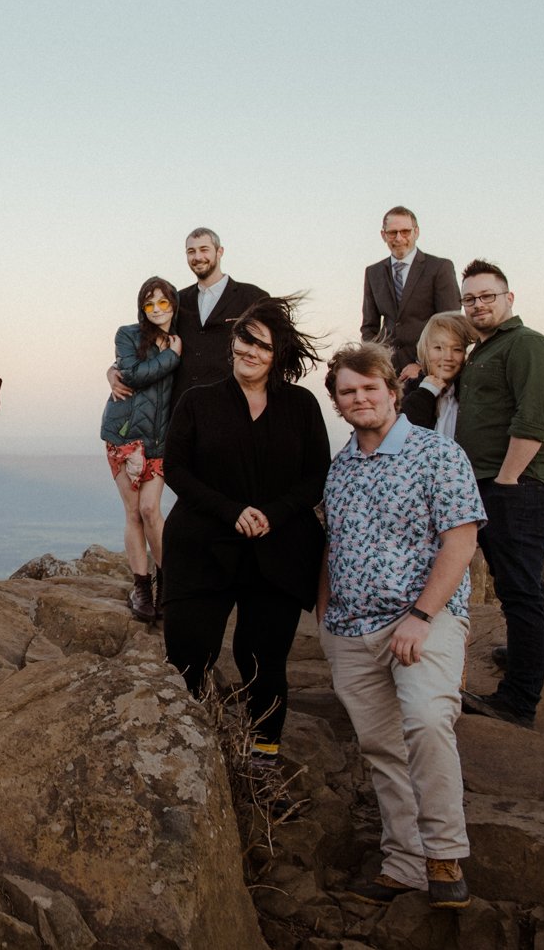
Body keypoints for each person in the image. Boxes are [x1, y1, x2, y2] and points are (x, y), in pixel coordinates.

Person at [319, 342, 484, 910]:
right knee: (382, 748)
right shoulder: (338, 470)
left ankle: (444, 856)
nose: (360, 398)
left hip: (421, 621)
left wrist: (420, 616)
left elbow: (460, 541)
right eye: (348, 391)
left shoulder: (437, 454)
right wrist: (324, 618)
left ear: (393, 392)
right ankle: (405, 864)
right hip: (349, 630)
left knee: (427, 721)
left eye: (370, 387)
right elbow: (331, 544)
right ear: (338, 404)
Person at [162, 294, 329, 787]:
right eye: (244, 339)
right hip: (203, 544)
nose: (249, 351)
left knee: (262, 657)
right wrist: (231, 511)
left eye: (262, 345)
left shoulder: (301, 405)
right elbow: (177, 469)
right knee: (190, 653)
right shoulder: (199, 400)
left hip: (277, 549)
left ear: (279, 355)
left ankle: (262, 754)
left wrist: (270, 516)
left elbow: (316, 475)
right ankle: (191, 742)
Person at [453, 260, 544, 728]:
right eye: (470, 299)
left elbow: (533, 419)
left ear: (509, 299)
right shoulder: (484, 350)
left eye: (487, 296)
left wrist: (505, 482)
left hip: (516, 486)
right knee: (524, 579)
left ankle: (519, 701)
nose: (478, 305)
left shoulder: (528, 345)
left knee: (517, 591)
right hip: (492, 484)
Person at [105, 228, 267, 420]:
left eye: (204, 249)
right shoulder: (178, 300)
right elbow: (149, 339)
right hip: (183, 413)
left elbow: (272, 349)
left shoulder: (253, 297)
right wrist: (113, 369)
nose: (198, 257)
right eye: (191, 252)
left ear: (220, 251)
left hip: (232, 410)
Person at [100, 276, 179, 623]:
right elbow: (130, 374)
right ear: (142, 307)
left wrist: (175, 352)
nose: (157, 309)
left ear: (174, 305)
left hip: (161, 439)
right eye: (150, 303)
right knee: (133, 512)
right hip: (124, 434)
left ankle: (168, 586)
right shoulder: (128, 334)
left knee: (151, 510)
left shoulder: (182, 339)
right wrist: (171, 358)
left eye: (164, 302)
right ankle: (142, 588)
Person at [362, 207, 461, 380]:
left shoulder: (439, 268)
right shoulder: (373, 272)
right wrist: (376, 364)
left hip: (430, 372)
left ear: (416, 232)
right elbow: (369, 327)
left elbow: (450, 324)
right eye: (392, 233)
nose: (399, 238)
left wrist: (421, 364)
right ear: (383, 235)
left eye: (405, 231)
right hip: (388, 374)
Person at [400, 312, 478, 437]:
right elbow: (402, 432)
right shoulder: (409, 390)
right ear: (425, 349)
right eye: (438, 348)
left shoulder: (469, 393)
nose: (448, 357)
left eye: (457, 349)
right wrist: (426, 393)